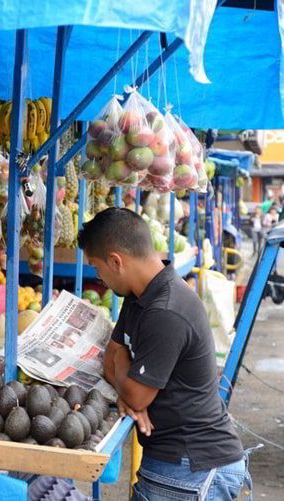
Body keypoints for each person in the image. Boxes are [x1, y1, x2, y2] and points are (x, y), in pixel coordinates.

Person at [78, 208, 253, 500]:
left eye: (97, 268)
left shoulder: (166, 310)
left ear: (116, 261)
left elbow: (134, 391)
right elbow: (112, 356)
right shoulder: (139, 296)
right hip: (176, 461)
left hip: (191, 465)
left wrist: (131, 391)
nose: (100, 278)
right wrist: (130, 388)